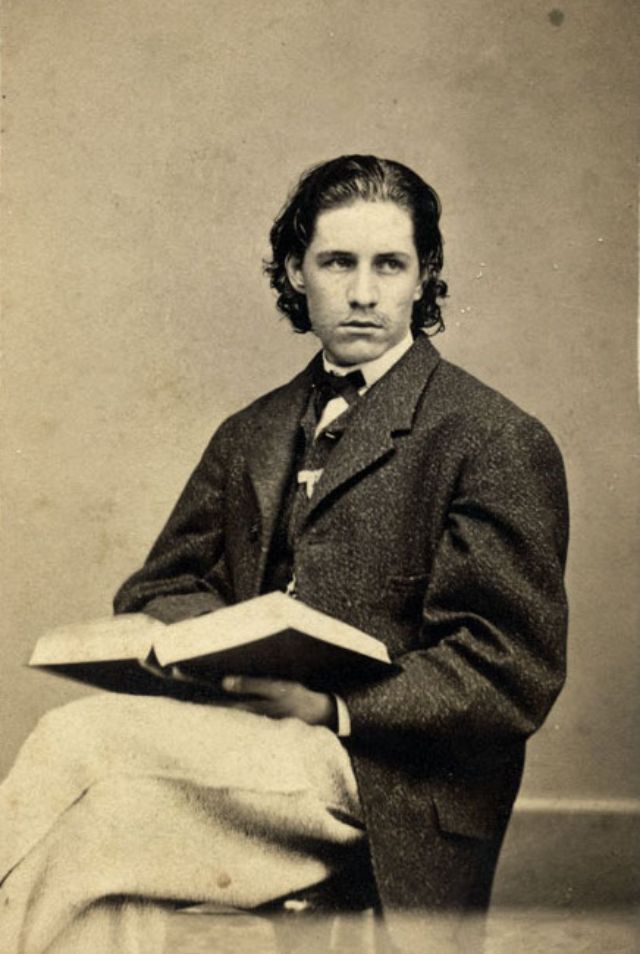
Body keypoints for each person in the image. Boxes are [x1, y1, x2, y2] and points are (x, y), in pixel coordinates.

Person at [0, 155, 569, 952]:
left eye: (389, 265)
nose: (363, 293)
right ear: (297, 272)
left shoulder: (493, 438)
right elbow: (164, 584)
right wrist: (220, 649)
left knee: (79, 748)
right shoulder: (253, 432)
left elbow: (508, 669)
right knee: (94, 853)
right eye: (337, 262)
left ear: (424, 277)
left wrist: (333, 706)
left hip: (389, 776)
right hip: (246, 739)